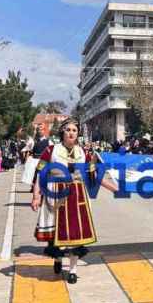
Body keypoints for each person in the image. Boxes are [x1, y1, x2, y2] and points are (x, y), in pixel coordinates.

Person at [31, 118, 118, 284]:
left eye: (74, 130)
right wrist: (36, 196)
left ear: (78, 134)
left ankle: (72, 270)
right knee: (56, 232)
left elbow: (94, 175)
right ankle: (57, 259)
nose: (71, 133)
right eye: (68, 130)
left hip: (77, 196)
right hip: (55, 193)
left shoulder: (84, 153)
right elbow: (40, 174)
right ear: (62, 132)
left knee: (76, 234)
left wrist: (114, 188)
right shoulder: (51, 150)